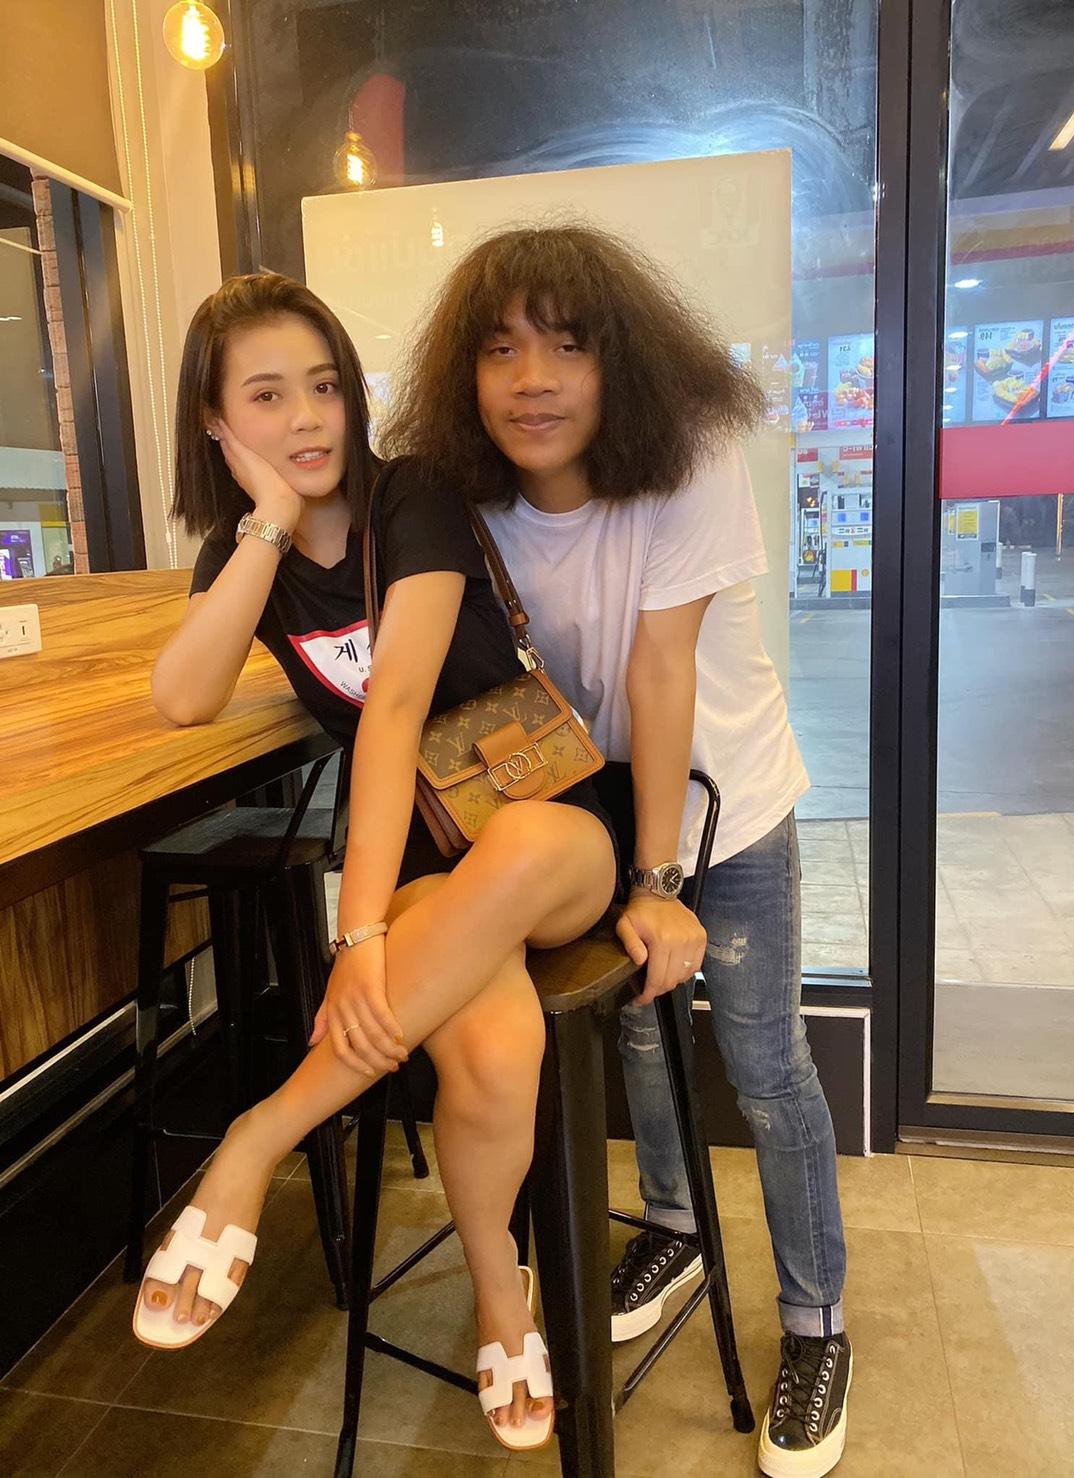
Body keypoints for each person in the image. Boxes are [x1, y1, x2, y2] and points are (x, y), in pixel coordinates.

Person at [381, 225, 851, 1478]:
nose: (531, 379)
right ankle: (675, 1225)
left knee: (764, 1063)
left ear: (621, 361)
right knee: (639, 1036)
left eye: (567, 346)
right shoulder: (465, 496)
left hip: (725, 804)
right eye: (499, 349)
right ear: (464, 374)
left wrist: (657, 881)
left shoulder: (688, 455)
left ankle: (817, 1322)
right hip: (593, 809)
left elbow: (659, 669)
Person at [139, 272, 628, 1451]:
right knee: (494, 1050)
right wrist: (264, 522)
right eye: (267, 396)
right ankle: (501, 1297)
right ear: (216, 421)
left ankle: (258, 1135)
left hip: (548, 825)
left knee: (518, 845)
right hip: (420, 859)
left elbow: (396, 704)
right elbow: (184, 695)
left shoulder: (413, 494)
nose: (309, 417)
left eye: (324, 386)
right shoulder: (243, 552)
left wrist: (356, 938)